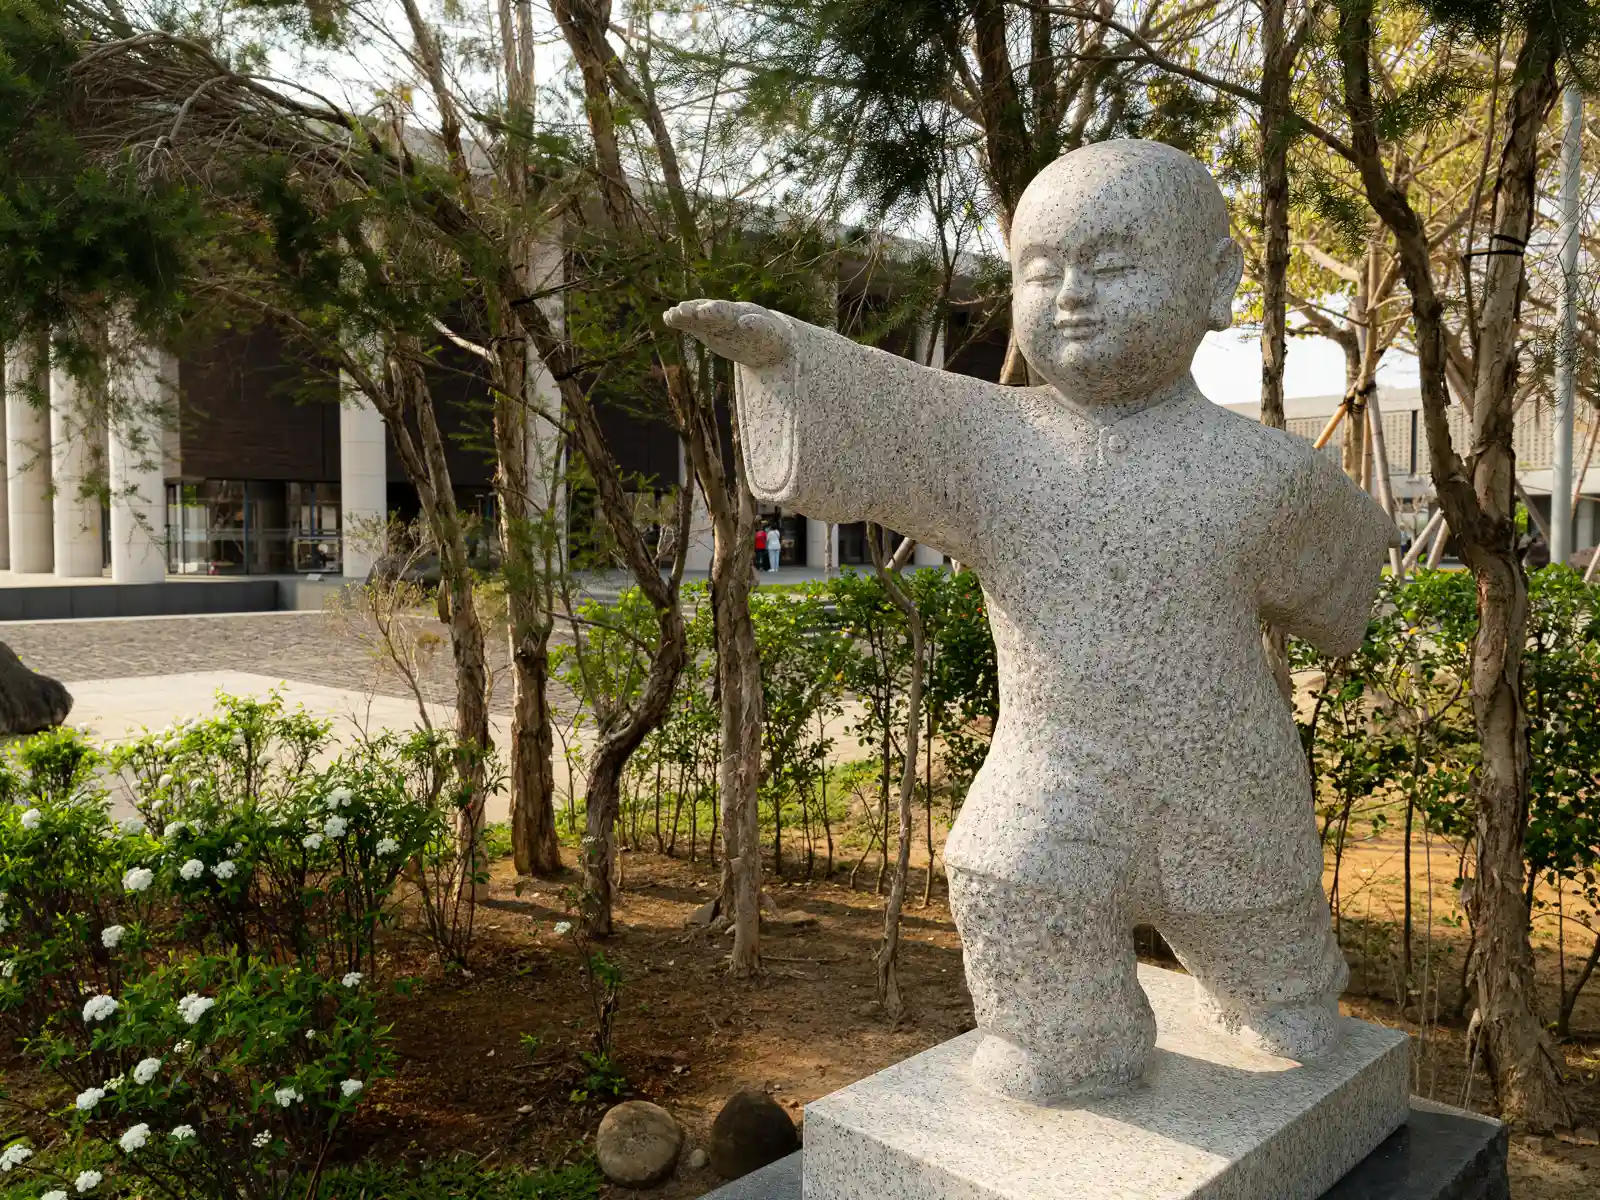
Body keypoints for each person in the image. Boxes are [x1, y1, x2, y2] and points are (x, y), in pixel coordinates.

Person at [664, 139, 1396, 1104]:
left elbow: (1344, 602)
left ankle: (1275, 986)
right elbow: (890, 406)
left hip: (1227, 769)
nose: (1072, 296)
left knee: (1277, 973)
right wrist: (785, 362)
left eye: (1114, 265)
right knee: (1011, 881)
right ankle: (1068, 1041)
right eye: (1040, 272)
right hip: (1054, 767)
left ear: (1216, 282)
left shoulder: (1272, 475)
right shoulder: (992, 441)